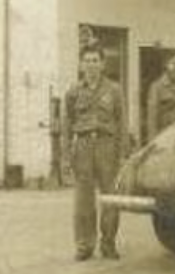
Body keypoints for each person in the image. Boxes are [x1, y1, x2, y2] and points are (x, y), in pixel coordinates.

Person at [64, 44, 125, 261]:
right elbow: (67, 124)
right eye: (87, 60)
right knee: (84, 199)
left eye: (95, 60)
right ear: (81, 65)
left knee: (110, 196)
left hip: (107, 146)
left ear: (102, 64)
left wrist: (122, 154)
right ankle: (84, 245)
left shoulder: (114, 90)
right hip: (83, 146)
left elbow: (121, 123)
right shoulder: (73, 91)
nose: (91, 65)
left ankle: (108, 243)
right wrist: (66, 156)